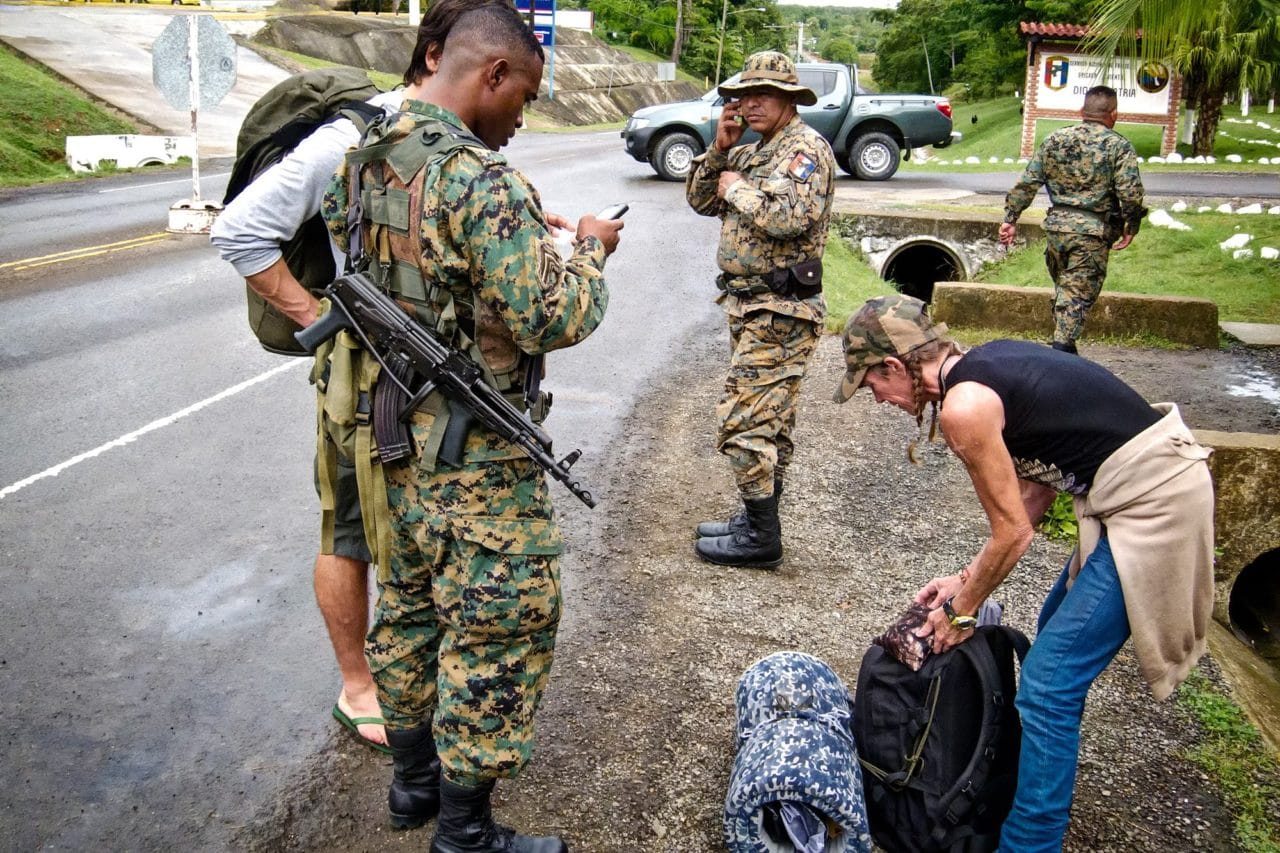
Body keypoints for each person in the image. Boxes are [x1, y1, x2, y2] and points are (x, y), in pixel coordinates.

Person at [320, 5, 623, 851]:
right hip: (475, 453)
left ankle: (414, 785)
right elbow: (553, 314)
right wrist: (592, 249)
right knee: (501, 621)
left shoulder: (370, 153)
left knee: (412, 609)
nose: (523, 117)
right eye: (523, 95)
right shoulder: (477, 179)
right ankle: (465, 833)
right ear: (490, 74)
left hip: (395, 436)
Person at [212, 0, 502, 761]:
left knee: (414, 527)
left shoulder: (440, 141)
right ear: (435, 57)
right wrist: (327, 322)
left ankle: (413, 680)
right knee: (348, 527)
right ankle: (358, 686)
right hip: (360, 379)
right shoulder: (353, 137)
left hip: (420, 378)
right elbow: (239, 230)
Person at [833, 294, 1214, 851]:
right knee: (1054, 643)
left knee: (1048, 686)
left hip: (1154, 503)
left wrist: (959, 615)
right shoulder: (987, 369)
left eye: (872, 385)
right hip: (1128, 497)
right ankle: (1026, 775)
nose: (880, 399)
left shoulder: (966, 407)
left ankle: (1029, 843)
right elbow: (1033, 494)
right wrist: (963, 584)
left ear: (894, 366)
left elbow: (1013, 531)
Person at [685, 51, 836, 569]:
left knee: (744, 420)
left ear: (790, 100)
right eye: (744, 95)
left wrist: (738, 188)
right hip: (749, 305)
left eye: (763, 95)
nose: (749, 104)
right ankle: (755, 520)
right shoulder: (753, 150)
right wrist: (720, 151)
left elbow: (791, 216)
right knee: (770, 424)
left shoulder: (805, 150)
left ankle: (761, 538)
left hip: (783, 308)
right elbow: (702, 202)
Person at [999, 85, 1146, 354]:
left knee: (1067, 296)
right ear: (1113, 114)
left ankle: (1066, 356)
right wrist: (1131, 226)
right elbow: (1131, 193)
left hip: (1056, 231)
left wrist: (1010, 218)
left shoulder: (1055, 140)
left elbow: (1028, 182)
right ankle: (1060, 361)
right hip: (1091, 234)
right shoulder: (1119, 146)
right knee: (1074, 301)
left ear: (1082, 111)